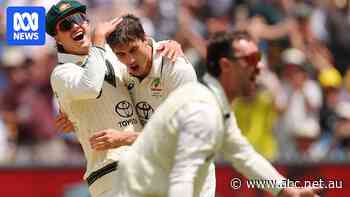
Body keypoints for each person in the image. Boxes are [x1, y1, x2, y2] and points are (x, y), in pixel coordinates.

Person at [109, 31, 320, 197]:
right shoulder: (202, 111)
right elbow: (182, 177)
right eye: (250, 60)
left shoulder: (216, 108)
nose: (259, 68)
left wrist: (287, 190)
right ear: (227, 66)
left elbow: (245, 157)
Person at [46, 1, 183, 196]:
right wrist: (99, 40)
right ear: (56, 38)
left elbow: (143, 54)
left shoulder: (109, 53)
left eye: (80, 18)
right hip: (109, 174)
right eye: (66, 25)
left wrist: (167, 45)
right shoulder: (61, 73)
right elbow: (90, 86)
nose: (76, 25)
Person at [88, 14, 215, 197]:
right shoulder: (123, 71)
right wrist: (69, 113)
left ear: (145, 39)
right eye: (121, 54)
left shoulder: (176, 68)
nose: (130, 60)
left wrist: (124, 138)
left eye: (133, 50)